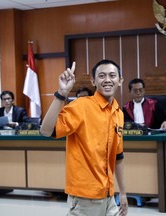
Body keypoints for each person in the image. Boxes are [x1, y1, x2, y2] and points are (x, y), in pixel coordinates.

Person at [40, 59, 128, 216]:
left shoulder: (118, 113)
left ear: (120, 80)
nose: (107, 80)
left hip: (109, 194)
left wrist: (122, 192)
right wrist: (62, 94)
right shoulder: (81, 106)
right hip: (85, 197)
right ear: (93, 81)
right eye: (101, 76)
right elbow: (46, 131)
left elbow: (118, 156)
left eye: (112, 75)